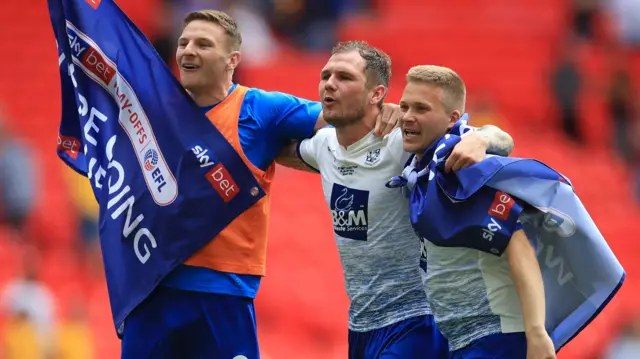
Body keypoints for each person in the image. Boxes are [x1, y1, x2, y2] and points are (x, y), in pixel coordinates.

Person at [119, 10, 401, 359]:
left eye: (203, 44)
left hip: (223, 294)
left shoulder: (259, 109)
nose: (188, 51)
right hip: (152, 289)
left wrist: (386, 114)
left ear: (232, 60)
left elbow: (345, 123)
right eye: (183, 43)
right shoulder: (151, 114)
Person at [276, 41, 515, 358]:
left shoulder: (402, 140)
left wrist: (479, 138)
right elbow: (277, 148)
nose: (330, 84)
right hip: (361, 325)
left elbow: (503, 139)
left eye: (344, 77)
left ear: (376, 94)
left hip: (416, 320)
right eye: (325, 75)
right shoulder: (322, 146)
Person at [397, 65, 556, 359]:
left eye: (421, 108)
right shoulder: (421, 169)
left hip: (494, 337)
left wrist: (536, 332)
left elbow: (518, 248)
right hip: (460, 340)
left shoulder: (466, 167)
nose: (407, 115)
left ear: (452, 119)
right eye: (404, 106)